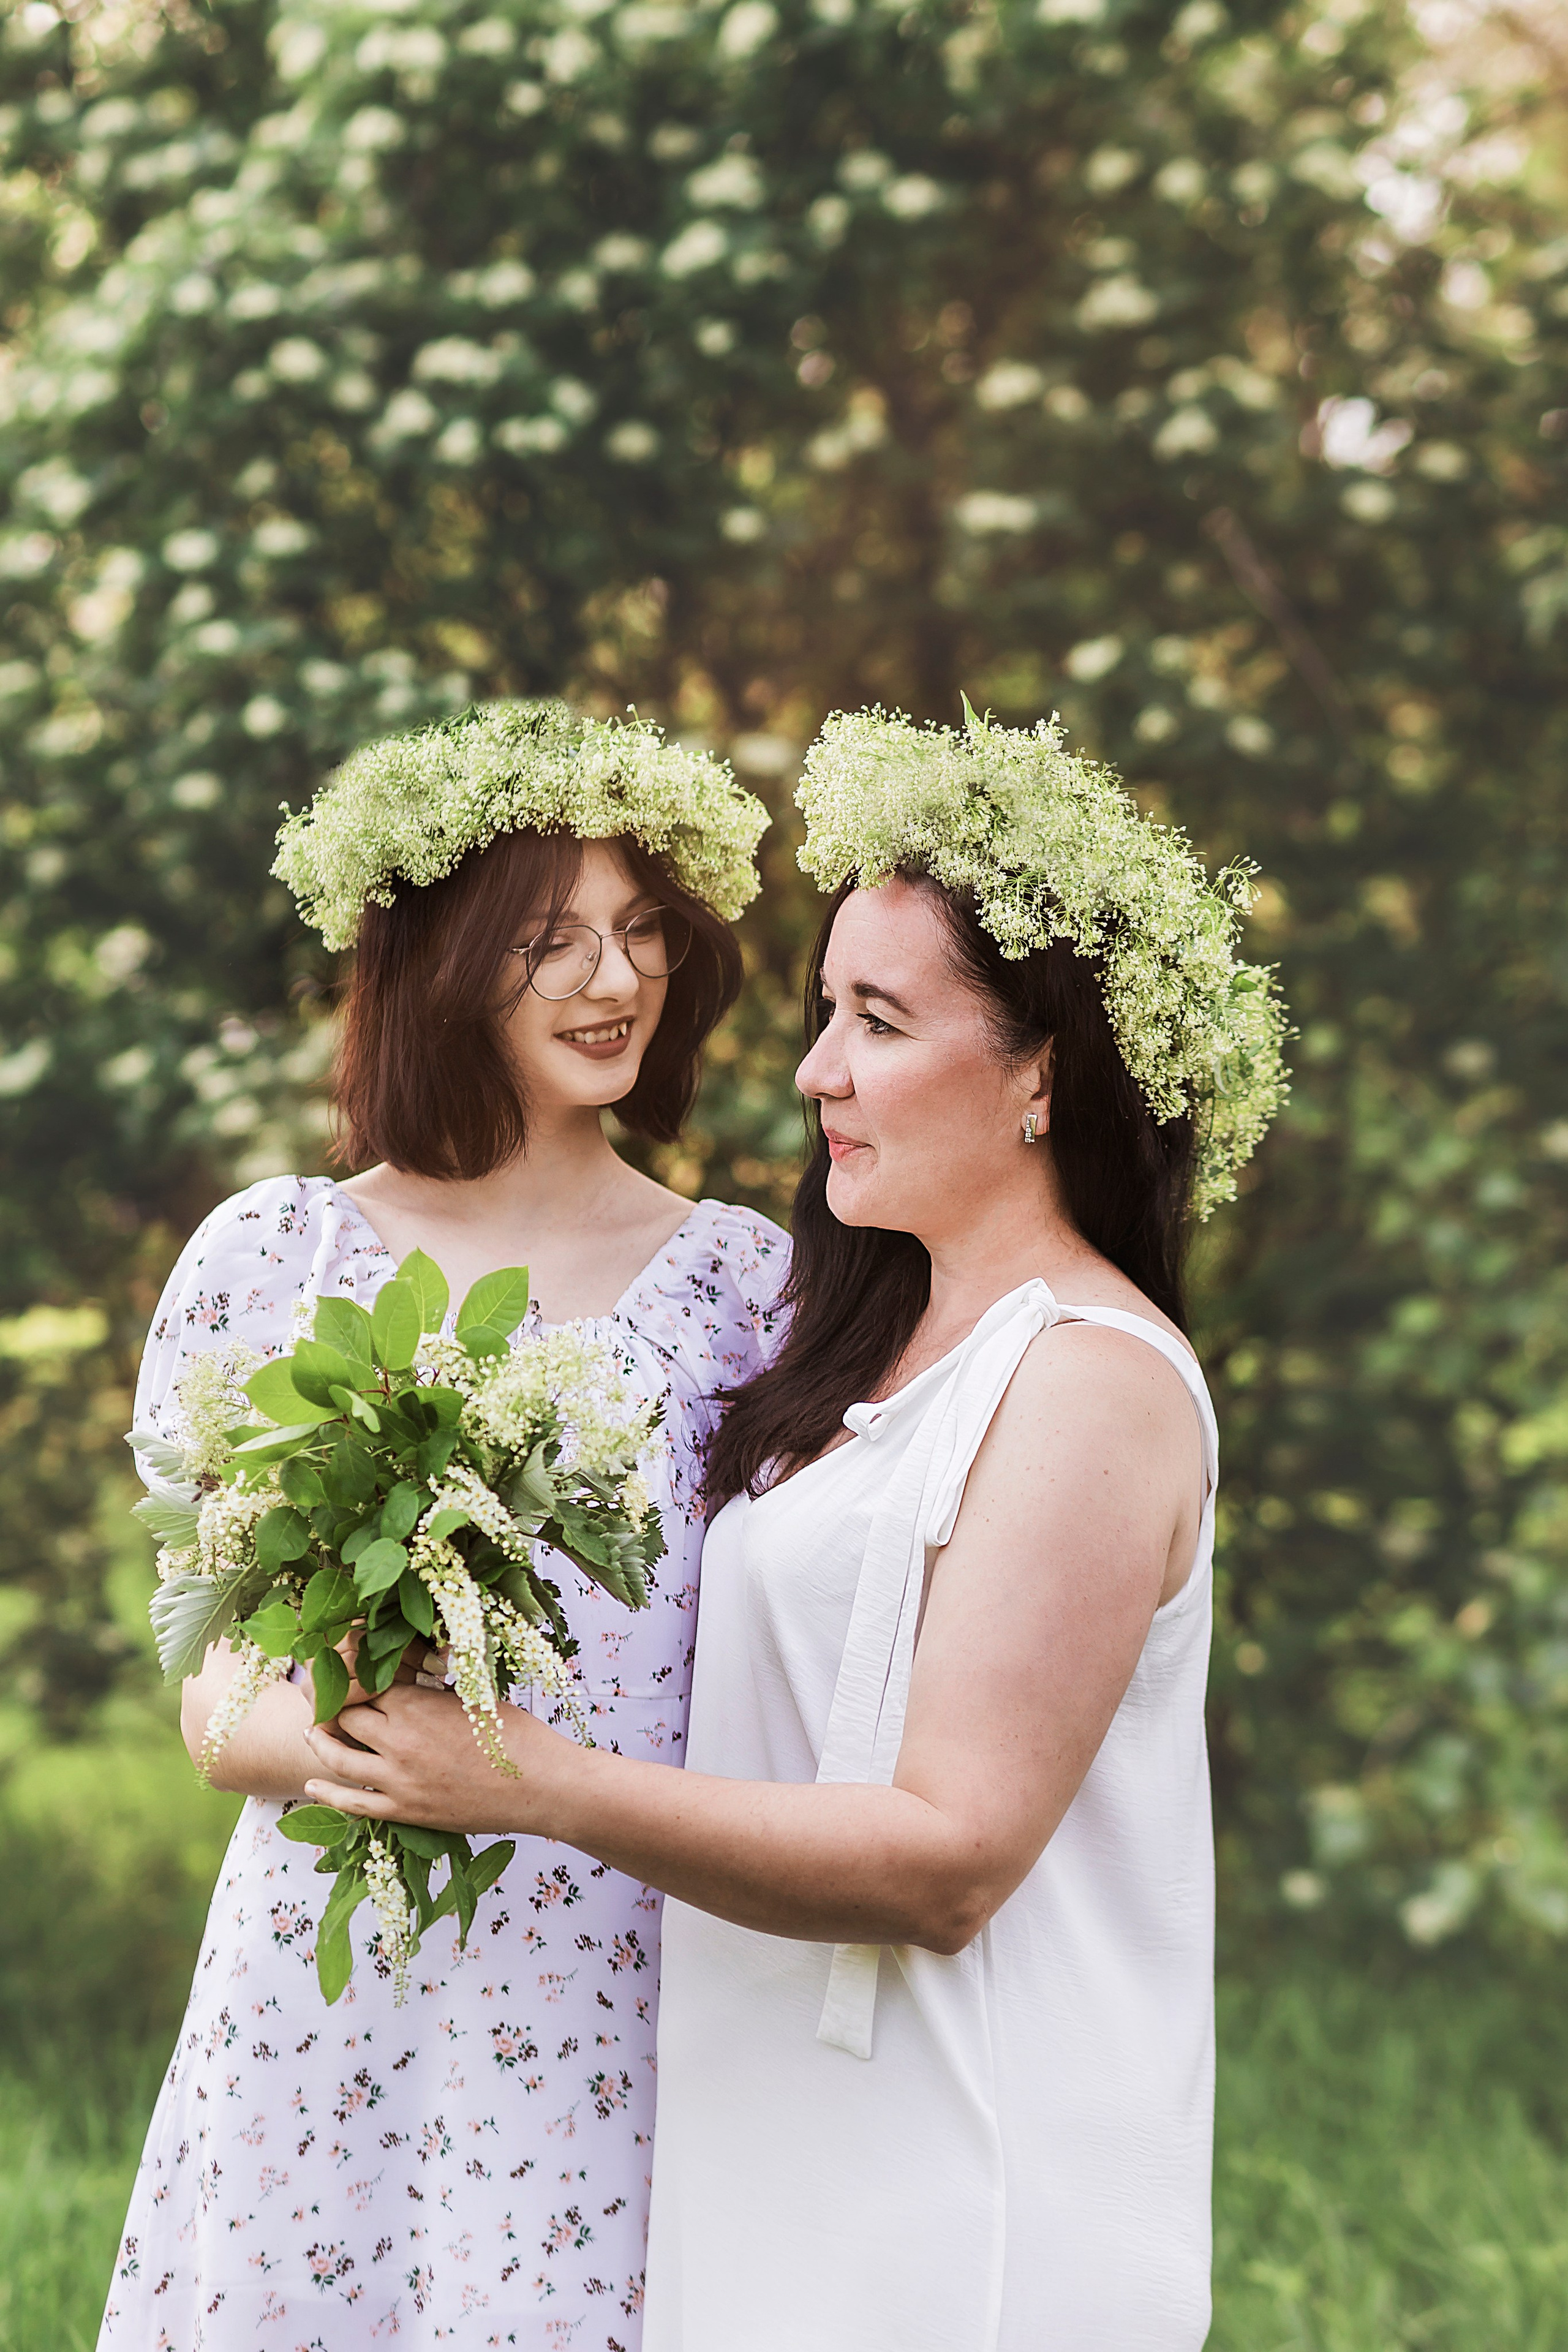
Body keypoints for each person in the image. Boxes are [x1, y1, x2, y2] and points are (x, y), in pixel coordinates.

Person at [300, 704, 1288, 2351]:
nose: (818, 1066)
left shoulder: (1090, 1381)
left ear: (1043, 1069)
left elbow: (950, 1860)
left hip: (966, 2199)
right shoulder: (861, 1353)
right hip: (775, 2167)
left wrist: (519, 1780)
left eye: (882, 1021)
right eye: (828, 1011)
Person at [99, 699, 786, 2352]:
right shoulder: (280, 1263)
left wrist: (538, 1783)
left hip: (615, 1974)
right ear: (440, 959)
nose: (614, 983)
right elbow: (214, 1695)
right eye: (549, 940)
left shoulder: (753, 1290)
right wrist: (381, 1746)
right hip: (327, 1973)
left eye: (638, 935)